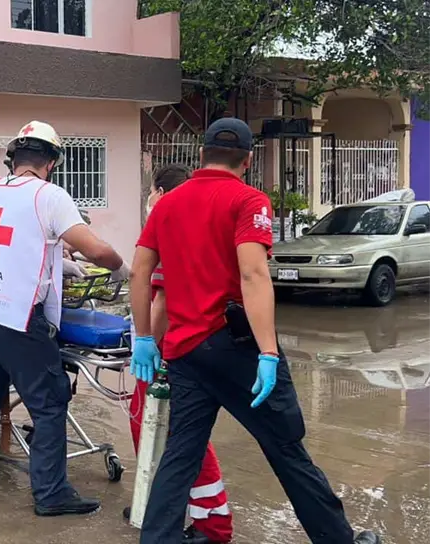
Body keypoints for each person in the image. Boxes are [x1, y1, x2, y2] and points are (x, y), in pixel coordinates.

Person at [129, 118, 380, 544]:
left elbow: (140, 272)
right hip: (238, 349)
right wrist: (267, 353)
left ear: (202, 155)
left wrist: (144, 339)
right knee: (286, 448)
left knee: (181, 455)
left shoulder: (167, 204)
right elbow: (253, 274)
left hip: (186, 352)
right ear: (247, 160)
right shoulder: (248, 200)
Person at [0, 121, 130, 517]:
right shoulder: (49, 195)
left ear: (13, 158)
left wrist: (59, 261)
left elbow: (19, 240)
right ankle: (51, 493)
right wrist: (119, 267)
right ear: (51, 162)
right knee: (51, 401)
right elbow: (94, 248)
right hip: (18, 316)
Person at [128, 164, 234, 544]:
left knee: (171, 434)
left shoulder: (169, 222)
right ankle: (161, 505)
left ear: (158, 192)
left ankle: (212, 522)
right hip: (206, 345)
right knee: (180, 436)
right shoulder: (202, 223)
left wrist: (148, 347)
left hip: (175, 351)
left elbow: (162, 299)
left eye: (150, 194)